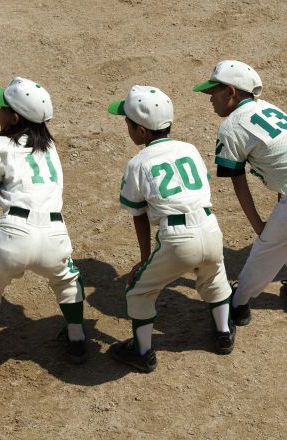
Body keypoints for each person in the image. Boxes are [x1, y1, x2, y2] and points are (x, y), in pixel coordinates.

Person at [0, 77, 86, 382]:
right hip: (55, 232)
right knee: (68, 282)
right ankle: (78, 341)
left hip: (14, 232)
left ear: (14, 118)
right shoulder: (51, 147)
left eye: (3, 107)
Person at [106, 85, 234, 373]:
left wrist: (143, 258)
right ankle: (224, 334)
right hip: (210, 227)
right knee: (214, 277)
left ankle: (142, 352)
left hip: (177, 239)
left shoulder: (138, 162)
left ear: (140, 131)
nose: (126, 126)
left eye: (127, 121)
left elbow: (138, 214)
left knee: (138, 292)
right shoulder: (188, 149)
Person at [193, 60, 287, 326]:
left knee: (265, 252)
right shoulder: (268, 107)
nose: (210, 98)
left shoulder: (232, 127)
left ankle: (239, 303)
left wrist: (259, 226)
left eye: (214, 92)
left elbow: (237, 178)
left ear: (231, 92)